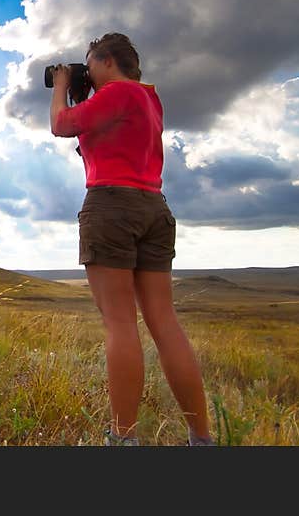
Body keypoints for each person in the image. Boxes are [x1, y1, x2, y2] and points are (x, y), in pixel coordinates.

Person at [49, 32, 214, 446]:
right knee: (165, 323)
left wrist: (64, 87)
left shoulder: (117, 92)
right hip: (153, 206)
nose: (88, 73)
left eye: (90, 65)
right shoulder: (148, 100)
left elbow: (61, 125)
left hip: (112, 205)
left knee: (120, 324)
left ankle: (123, 440)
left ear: (106, 62)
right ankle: (201, 438)